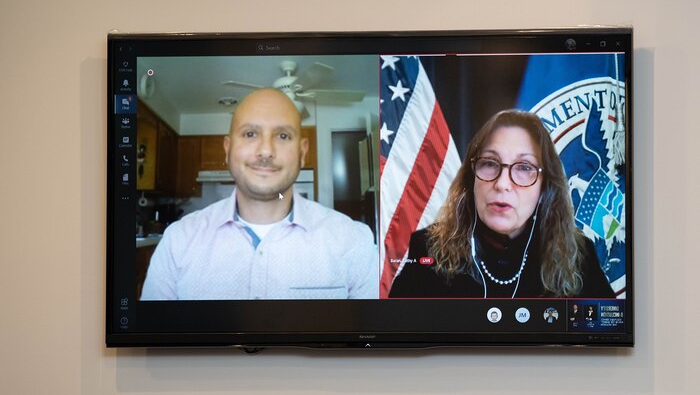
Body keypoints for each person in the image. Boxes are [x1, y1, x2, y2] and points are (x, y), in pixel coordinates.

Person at [141, 88, 379, 300]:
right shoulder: (177, 241)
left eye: (283, 136)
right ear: (228, 149)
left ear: (302, 152)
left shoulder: (353, 242)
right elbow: (155, 345)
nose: (266, 151)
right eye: (250, 134)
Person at [389, 109, 615, 299]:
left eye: (524, 167)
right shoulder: (426, 248)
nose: (502, 184)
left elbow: (604, 335)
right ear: (471, 179)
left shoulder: (578, 256)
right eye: (489, 163)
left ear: (545, 187)